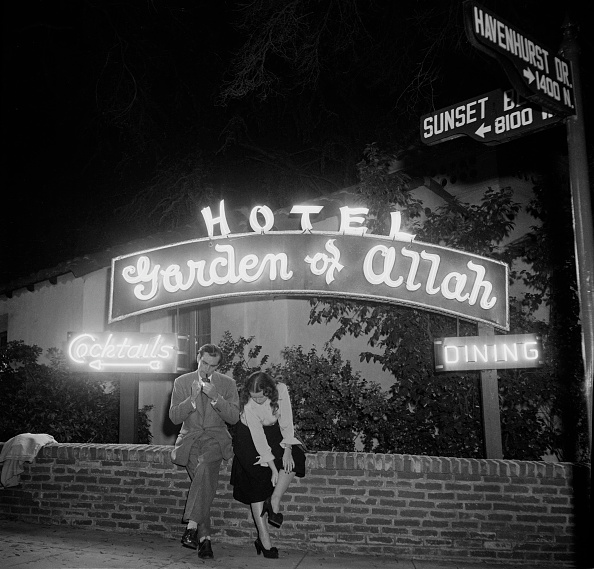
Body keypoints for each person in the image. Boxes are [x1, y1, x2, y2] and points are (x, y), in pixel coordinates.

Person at [169, 343, 239, 560]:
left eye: (213, 366)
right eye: (204, 363)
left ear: (218, 366)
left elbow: (234, 417)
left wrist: (217, 398)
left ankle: (191, 526)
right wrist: (191, 400)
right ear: (197, 358)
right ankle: (204, 539)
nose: (207, 369)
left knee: (205, 467)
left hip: (215, 441)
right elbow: (173, 417)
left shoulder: (227, 384)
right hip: (190, 441)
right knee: (204, 482)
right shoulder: (181, 382)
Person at [230, 371, 306, 559]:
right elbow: (258, 438)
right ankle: (264, 539)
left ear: (269, 391)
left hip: (272, 430)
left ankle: (274, 501)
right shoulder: (249, 404)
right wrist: (272, 468)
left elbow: (286, 422)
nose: (257, 401)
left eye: (261, 397)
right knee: (258, 476)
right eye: (253, 397)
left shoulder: (281, 390)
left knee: (296, 456)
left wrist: (287, 449)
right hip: (248, 436)